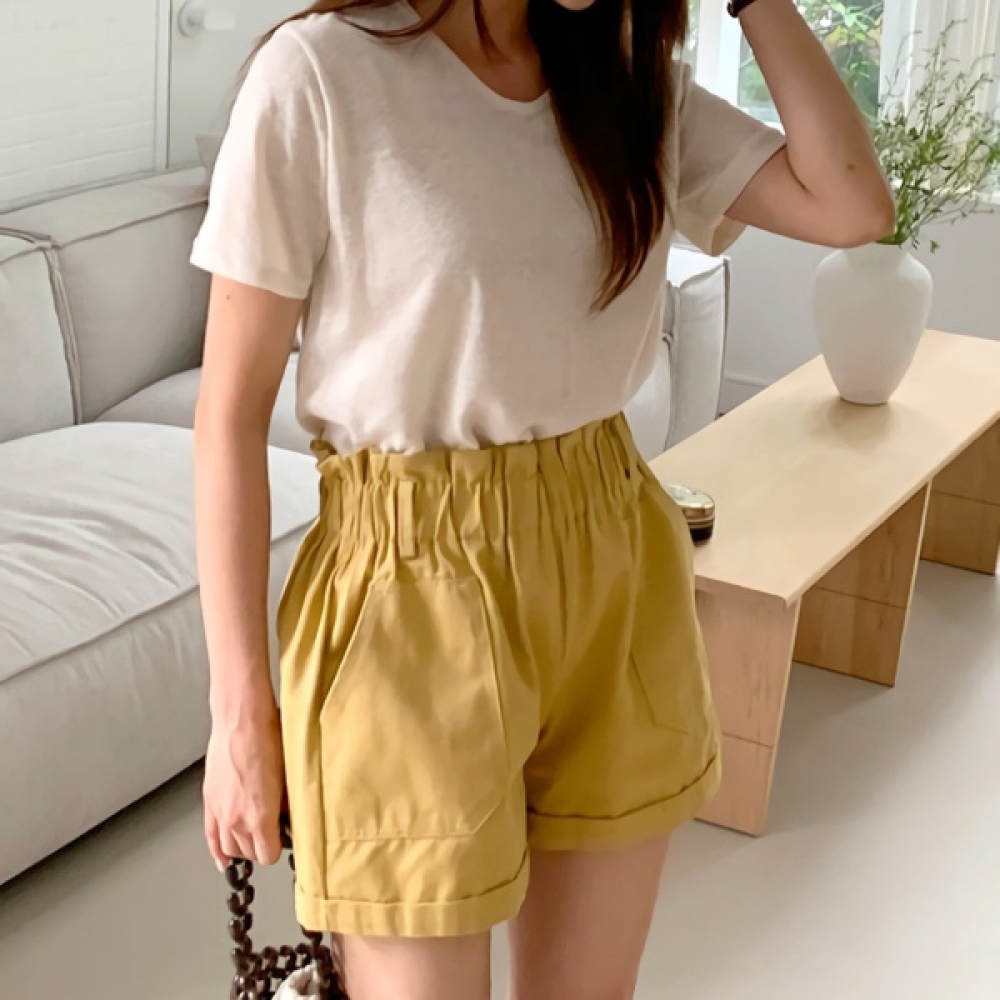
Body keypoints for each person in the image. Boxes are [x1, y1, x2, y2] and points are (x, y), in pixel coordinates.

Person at [191, 0, 893, 995]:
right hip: (407, 595)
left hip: (616, 563)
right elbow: (227, 414)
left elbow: (853, 206)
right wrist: (238, 713)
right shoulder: (320, 74)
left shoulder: (628, 86)